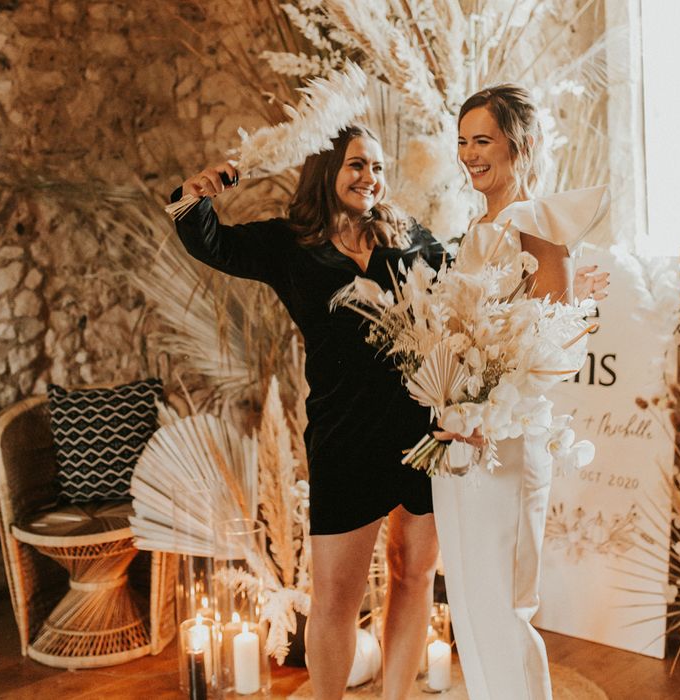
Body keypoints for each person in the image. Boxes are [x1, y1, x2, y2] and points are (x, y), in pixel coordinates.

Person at [172, 125, 445, 700]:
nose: (371, 177)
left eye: (377, 166)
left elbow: (466, 284)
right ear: (326, 170)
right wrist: (193, 195)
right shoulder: (290, 244)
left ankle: (394, 695)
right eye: (356, 165)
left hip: (419, 431)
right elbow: (211, 242)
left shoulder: (408, 235)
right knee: (335, 601)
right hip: (345, 437)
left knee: (414, 573)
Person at [431, 84, 610, 700]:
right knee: (471, 607)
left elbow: (549, 344)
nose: (470, 154)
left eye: (482, 140)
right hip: (456, 437)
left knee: (506, 605)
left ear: (520, 143)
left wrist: (484, 401)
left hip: (504, 439)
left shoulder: (537, 225)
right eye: (462, 142)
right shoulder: (475, 229)